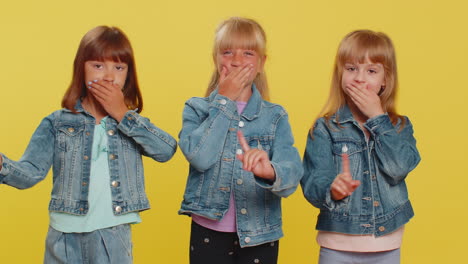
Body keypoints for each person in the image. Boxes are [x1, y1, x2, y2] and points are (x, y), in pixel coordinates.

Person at [0, 25, 177, 263]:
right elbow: (30, 172)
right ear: (81, 69)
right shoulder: (57, 122)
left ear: (128, 74)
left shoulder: (130, 123)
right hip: (63, 236)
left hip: (112, 236)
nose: (108, 76)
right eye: (97, 65)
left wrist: (123, 114)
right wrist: (3, 165)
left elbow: (166, 150)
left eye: (119, 67)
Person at [178, 17, 303, 264]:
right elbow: (200, 158)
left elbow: (292, 177)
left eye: (248, 53)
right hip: (208, 231)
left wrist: (269, 171)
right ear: (216, 58)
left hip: (260, 234)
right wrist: (224, 101)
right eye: (227, 52)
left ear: (261, 63)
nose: (236, 61)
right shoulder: (196, 109)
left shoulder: (275, 116)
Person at [301, 30, 421, 264]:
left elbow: (399, 168)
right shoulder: (325, 127)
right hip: (337, 243)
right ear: (340, 74)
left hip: (386, 242)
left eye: (372, 71)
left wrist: (378, 118)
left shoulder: (398, 126)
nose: (359, 78)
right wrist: (333, 189)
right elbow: (312, 181)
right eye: (351, 69)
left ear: (385, 79)